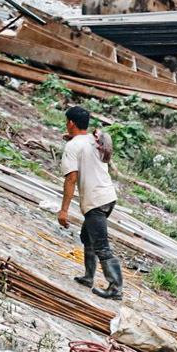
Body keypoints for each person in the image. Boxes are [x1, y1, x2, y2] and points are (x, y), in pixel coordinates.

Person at [57, 106, 122, 300]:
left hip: (95, 201)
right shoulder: (93, 140)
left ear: (70, 123)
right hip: (108, 197)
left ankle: (115, 287)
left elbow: (71, 179)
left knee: (101, 245)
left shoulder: (73, 146)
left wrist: (63, 211)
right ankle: (88, 276)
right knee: (87, 237)